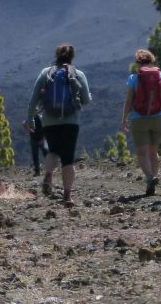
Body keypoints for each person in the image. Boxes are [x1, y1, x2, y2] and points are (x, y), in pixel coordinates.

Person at [24, 43, 92, 208]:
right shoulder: (78, 74)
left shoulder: (45, 73)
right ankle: (67, 196)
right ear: (72, 57)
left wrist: (30, 118)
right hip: (71, 121)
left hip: (49, 120)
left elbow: (34, 98)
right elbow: (86, 101)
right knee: (68, 158)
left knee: (53, 150)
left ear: (57, 55)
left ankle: (48, 174)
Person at [120, 49, 161, 196]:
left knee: (141, 152)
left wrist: (124, 118)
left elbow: (129, 100)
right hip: (158, 117)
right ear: (152, 61)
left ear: (137, 63)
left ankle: (150, 177)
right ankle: (152, 179)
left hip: (138, 118)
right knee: (153, 152)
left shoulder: (134, 78)